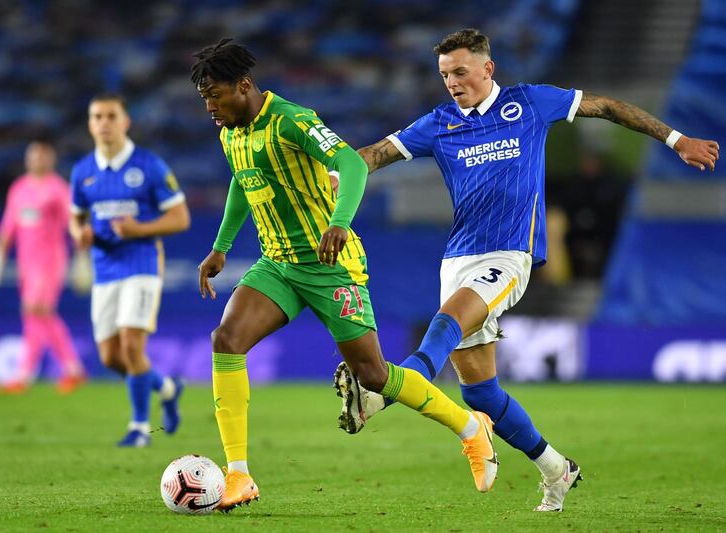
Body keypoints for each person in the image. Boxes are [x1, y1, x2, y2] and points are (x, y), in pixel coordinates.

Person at [332, 28, 720, 512]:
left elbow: (608, 107)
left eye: (460, 72)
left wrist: (677, 138)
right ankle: (558, 469)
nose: (451, 82)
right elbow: (371, 156)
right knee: (481, 392)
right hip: (457, 259)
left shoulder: (530, 104)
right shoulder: (439, 123)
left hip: (509, 256)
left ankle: (377, 397)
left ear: (487, 68)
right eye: (444, 75)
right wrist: (332, 176)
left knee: (445, 324)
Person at [191, 38, 499, 512]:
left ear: (244, 85)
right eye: (204, 98)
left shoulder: (292, 120)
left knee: (373, 375)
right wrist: (221, 247)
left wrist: (339, 220)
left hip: (332, 265)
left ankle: (471, 427)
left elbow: (351, 163)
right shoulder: (230, 132)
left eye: (215, 95)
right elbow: (240, 179)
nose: (210, 107)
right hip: (278, 264)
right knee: (226, 341)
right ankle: (238, 476)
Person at [69, 94, 191, 447]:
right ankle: (167, 388)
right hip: (104, 268)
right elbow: (75, 217)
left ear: (126, 122)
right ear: (90, 124)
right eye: (97, 117)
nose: (104, 122)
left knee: (132, 346)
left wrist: (139, 229)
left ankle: (139, 428)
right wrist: (81, 234)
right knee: (111, 356)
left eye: (111, 116)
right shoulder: (83, 172)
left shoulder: (148, 165)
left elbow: (180, 217)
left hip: (141, 264)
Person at [0, 140, 87, 394]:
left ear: (50, 160)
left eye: (42, 156)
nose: (37, 161)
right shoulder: (19, 189)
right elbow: (9, 225)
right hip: (25, 264)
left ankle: (25, 374)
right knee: (35, 314)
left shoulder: (58, 189)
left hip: (50, 261)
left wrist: (81, 258)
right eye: (33, 156)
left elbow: (73, 225)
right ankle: (71, 369)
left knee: (36, 309)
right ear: (27, 159)